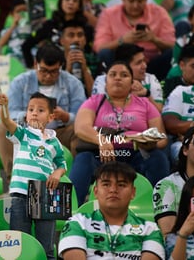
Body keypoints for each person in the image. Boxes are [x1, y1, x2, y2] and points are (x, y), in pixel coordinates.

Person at [69, 60, 170, 207]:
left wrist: (148, 143)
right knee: (84, 159)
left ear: (132, 83)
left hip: (135, 152)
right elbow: (81, 127)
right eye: (112, 74)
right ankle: (71, 211)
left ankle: (163, 208)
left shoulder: (145, 104)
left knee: (157, 158)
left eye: (124, 75)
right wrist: (102, 141)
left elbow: (162, 137)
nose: (118, 78)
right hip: (103, 154)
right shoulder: (94, 101)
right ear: (105, 82)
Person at [0, 43, 86, 186]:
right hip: (28, 133)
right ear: (35, 64)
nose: (48, 76)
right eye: (44, 70)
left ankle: (73, 182)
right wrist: (29, 115)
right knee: (3, 127)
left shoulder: (73, 83)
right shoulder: (20, 82)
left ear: (61, 66)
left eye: (54, 71)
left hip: (60, 133)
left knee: (80, 132)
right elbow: (11, 112)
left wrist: (66, 116)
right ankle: (13, 178)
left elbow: (82, 115)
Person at [0, 91, 67, 260]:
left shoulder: (54, 142)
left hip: (45, 194)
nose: (34, 112)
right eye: (30, 109)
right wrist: (4, 106)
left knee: (47, 247)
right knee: (19, 245)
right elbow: (6, 121)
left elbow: (62, 163)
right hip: (20, 194)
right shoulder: (23, 134)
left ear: (50, 117)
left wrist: (57, 173)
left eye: (40, 110)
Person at [59, 161, 165, 259]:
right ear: (95, 191)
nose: (113, 190)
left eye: (121, 185)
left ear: (133, 192)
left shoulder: (150, 229)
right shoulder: (77, 223)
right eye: (106, 184)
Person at [94, 0, 175, 80]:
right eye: (131, 1)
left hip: (150, 64)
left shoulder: (159, 12)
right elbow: (99, 47)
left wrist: (154, 39)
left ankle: (162, 86)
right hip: (119, 64)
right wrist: (122, 41)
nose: (135, 5)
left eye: (140, 1)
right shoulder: (108, 14)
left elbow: (172, 45)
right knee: (105, 53)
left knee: (171, 53)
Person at [21, 0, 95, 68]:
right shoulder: (49, 25)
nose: (71, 2)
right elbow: (26, 45)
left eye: (75, 0)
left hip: (78, 68)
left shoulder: (85, 27)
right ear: (61, 2)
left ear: (79, 6)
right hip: (53, 69)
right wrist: (32, 67)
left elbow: (89, 52)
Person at [92, 43, 164, 112]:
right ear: (124, 66)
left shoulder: (150, 79)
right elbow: (97, 110)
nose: (145, 66)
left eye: (144, 61)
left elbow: (159, 112)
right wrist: (129, 95)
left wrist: (146, 94)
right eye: (139, 63)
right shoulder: (103, 80)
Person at [59, 19, 99, 96]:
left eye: (80, 35)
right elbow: (59, 97)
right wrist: (68, 70)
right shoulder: (56, 61)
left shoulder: (94, 60)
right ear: (62, 41)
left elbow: (97, 97)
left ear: (85, 40)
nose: (76, 39)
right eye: (71, 35)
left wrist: (85, 70)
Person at [0, 0, 30, 65]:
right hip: (14, 60)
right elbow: (0, 45)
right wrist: (13, 26)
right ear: (12, 14)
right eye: (18, 11)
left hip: (29, 59)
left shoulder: (33, 27)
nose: (22, 14)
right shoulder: (7, 29)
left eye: (24, 10)